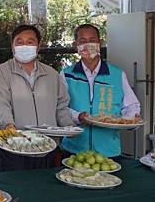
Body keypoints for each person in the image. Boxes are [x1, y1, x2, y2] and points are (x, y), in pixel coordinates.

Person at [0, 24, 72, 171]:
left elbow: (61, 105)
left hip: (48, 146)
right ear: (12, 46)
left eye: (30, 42)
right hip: (14, 147)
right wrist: (9, 127)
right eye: (19, 42)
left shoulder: (51, 74)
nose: (25, 46)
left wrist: (69, 126)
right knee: (17, 190)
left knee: (44, 190)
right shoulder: (1, 72)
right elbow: (1, 104)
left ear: (38, 45)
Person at [60, 24, 141, 158]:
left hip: (109, 151)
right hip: (74, 150)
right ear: (75, 45)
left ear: (100, 43)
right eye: (82, 41)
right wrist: (78, 116)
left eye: (92, 40)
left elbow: (131, 107)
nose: (88, 45)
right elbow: (60, 108)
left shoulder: (117, 75)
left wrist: (131, 120)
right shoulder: (66, 75)